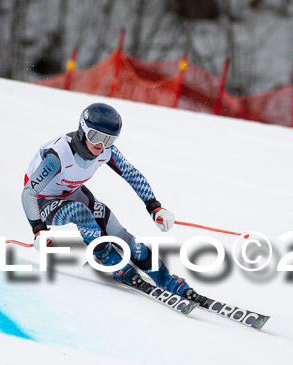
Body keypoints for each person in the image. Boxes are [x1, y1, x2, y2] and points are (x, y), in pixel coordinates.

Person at [21, 102, 204, 302]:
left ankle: (165, 279)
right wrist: (38, 229)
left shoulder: (107, 151)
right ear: (83, 131)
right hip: (42, 202)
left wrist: (155, 207)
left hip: (73, 193)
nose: (101, 146)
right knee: (80, 212)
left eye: (109, 140)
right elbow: (28, 193)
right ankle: (107, 258)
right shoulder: (59, 155)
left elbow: (132, 175)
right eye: (96, 137)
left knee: (122, 236)